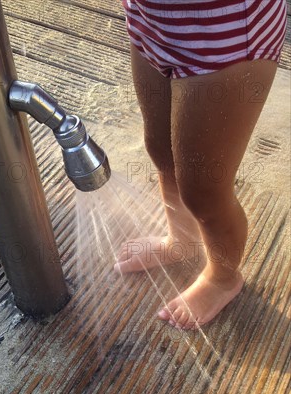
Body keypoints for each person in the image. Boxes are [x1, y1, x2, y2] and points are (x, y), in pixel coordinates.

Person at [114, 0, 287, 329]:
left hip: (225, 33)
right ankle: (180, 240)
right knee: (161, 149)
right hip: (149, 18)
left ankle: (222, 277)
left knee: (204, 189)